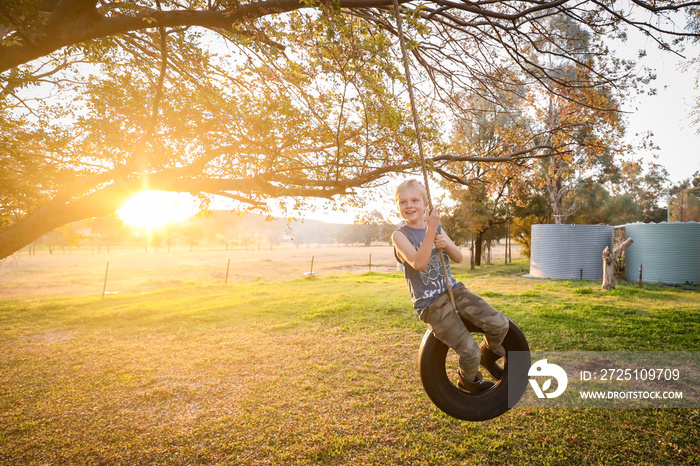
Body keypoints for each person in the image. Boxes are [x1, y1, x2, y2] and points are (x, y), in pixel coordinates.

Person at [391, 179, 510, 393]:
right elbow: (419, 263)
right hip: (431, 304)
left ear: (425, 205)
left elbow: (458, 257)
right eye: (403, 202)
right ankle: (468, 382)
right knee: (469, 352)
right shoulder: (400, 236)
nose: (409, 205)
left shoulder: (436, 228)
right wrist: (431, 231)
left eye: (415, 200)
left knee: (499, 324)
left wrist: (445, 242)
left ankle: (489, 355)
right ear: (398, 207)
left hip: (454, 290)